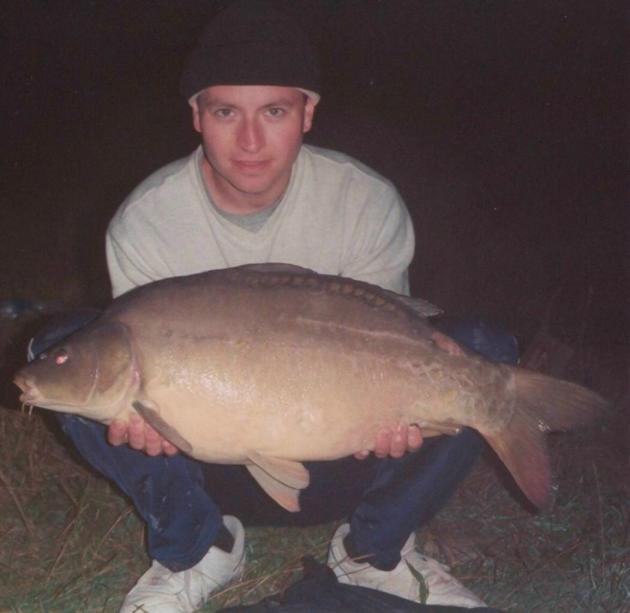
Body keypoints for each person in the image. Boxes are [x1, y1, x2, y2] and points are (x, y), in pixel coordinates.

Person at [29, 3, 514, 611]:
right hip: (206, 466)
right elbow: (130, 355)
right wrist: (133, 423)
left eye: (275, 112)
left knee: (484, 354)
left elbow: (389, 330)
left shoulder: (362, 200)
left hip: (346, 450)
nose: (250, 141)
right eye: (226, 111)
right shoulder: (149, 219)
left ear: (308, 113)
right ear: (197, 116)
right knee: (60, 344)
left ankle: (373, 552)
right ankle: (196, 545)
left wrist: (399, 408)